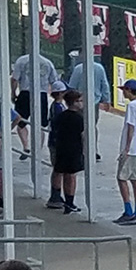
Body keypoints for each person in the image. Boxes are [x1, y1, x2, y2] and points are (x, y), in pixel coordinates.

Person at [50, 87, 88, 215]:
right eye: (80, 101)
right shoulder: (79, 118)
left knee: (60, 172)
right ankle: (70, 202)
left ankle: (58, 197)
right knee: (71, 177)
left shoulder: (61, 116)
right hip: (74, 150)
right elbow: (83, 136)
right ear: (75, 102)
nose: (82, 103)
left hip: (61, 148)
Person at [115, 78, 136, 224]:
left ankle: (128, 210)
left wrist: (126, 148)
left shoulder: (132, 106)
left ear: (129, 90)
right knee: (135, 178)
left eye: (124, 90)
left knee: (121, 178)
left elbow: (131, 127)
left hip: (131, 149)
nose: (123, 93)